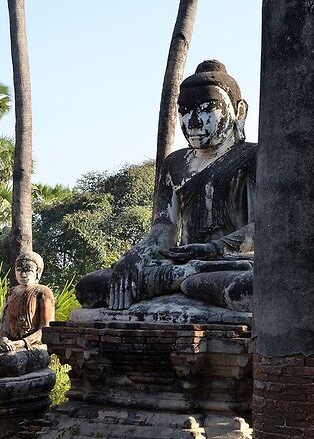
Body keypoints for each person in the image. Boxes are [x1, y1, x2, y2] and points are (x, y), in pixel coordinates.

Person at [76, 60, 255, 312]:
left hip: (228, 263)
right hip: (181, 263)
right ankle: (187, 279)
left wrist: (213, 249)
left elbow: (264, 230)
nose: (192, 122)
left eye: (208, 109)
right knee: (91, 287)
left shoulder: (253, 157)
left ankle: (187, 278)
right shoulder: (175, 163)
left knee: (247, 289)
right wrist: (134, 257)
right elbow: (165, 228)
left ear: (239, 112)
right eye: (184, 110)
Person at [0, 252, 55, 377]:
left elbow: (46, 329)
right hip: (12, 346)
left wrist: (22, 342)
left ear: (37, 273)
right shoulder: (11, 293)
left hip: (35, 347)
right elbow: (3, 326)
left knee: (12, 362)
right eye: (19, 270)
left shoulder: (42, 292)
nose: (23, 274)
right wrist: (4, 340)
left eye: (28, 270)